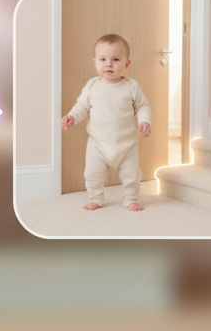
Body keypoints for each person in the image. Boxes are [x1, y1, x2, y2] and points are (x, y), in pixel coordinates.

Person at [61, 34, 152, 211]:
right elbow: (82, 107)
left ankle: (131, 199)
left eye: (115, 59)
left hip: (126, 144)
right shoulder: (92, 85)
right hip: (98, 143)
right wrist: (72, 117)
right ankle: (96, 198)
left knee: (132, 175)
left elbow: (142, 106)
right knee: (92, 174)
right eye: (103, 59)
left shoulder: (131, 86)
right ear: (95, 63)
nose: (108, 64)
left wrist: (145, 121)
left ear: (126, 64)